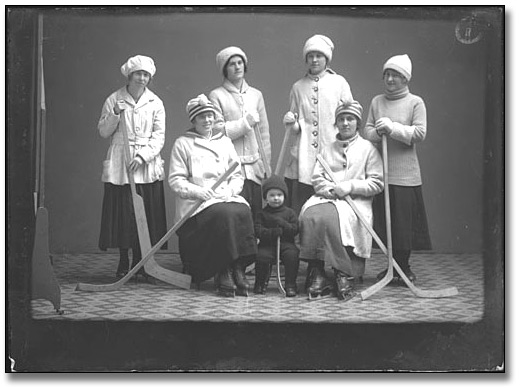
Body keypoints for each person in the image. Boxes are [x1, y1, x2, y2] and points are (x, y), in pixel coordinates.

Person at [169, 94, 258, 297]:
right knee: (223, 214)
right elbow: (176, 180)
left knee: (242, 210)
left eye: (210, 116)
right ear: (194, 120)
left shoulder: (225, 142)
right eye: (202, 117)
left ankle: (238, 268)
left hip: (225, 196)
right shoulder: (183, 143)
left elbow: (236, 174)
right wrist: (197, 191)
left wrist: (231, 190)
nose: (208, 120)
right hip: (196, 204)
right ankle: (223, 269)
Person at [299, 101, 383, 300]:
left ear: (357, 123)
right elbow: (317, 177)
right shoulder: (327, 149)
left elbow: (377, 182)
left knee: (332, 219)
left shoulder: (368, 149)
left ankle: (342, 272)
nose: (345, 123)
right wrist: (330, 190)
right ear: (336, 123)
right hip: (325, 197)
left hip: (355, 202)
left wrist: (351, 186)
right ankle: (317, 271)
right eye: (341, 119)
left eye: (350, 119)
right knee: (310, 216)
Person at [360, 54, 432, 284]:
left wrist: (393, 128)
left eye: (395, 75)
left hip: (405, 174)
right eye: (387, 75)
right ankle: (390, 266)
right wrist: (378, 131)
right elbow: (367, 131)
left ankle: (403, 266)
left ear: (405, 78)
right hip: (381, 171)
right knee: (386, 222)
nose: (390, 79)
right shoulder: (377, 101)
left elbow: (420, 133)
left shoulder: (415, 102)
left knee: (403, 224)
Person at [97, 55, 167, 281]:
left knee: (145, 212)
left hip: (145, 163)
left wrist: (143, 155)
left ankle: (142, 260)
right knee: (124, 213)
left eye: (146, 75)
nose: (142, 78)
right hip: (121, 164)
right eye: (138, 74)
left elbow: (159, 136)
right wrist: (115, 114)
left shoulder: (155, 102)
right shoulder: (114, 99)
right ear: (130, 75)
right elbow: (103, 132)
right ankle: (124, 260)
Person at [282, 34, 354, 215]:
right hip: (304, 152)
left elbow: (351, 114)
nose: (314, 60)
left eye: (319, 56)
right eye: (310, 56)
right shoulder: (298, 87)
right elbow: (296, 123)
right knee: (302, 200)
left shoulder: (339, 82)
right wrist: (292, 123)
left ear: (326, 59)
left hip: (332, 148)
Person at [209, 46, 271, 218]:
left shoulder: (256, 95)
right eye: (231, 64)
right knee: (236, 214)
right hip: (230, 167)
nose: (237, 67)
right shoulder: (216, 95)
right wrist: (244, 124)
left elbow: (264, 132)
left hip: (255, 166)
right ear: (224, 69)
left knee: (256, 214)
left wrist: (266, 164)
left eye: (240, 63)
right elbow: (217, 132)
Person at [253, 175, 300, 297]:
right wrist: (272, 232)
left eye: (279, 195)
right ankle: (260, 283)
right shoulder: (262, 214)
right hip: (267, 244)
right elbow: (258, 230)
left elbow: (295, 229)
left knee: (292, 255)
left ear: (284, 196)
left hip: (286, 244)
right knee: (261, 256)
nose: (276, 198)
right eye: (272, 195)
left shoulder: (290, 213)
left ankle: (290, 284)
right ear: (266, 197)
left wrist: (284, 225)